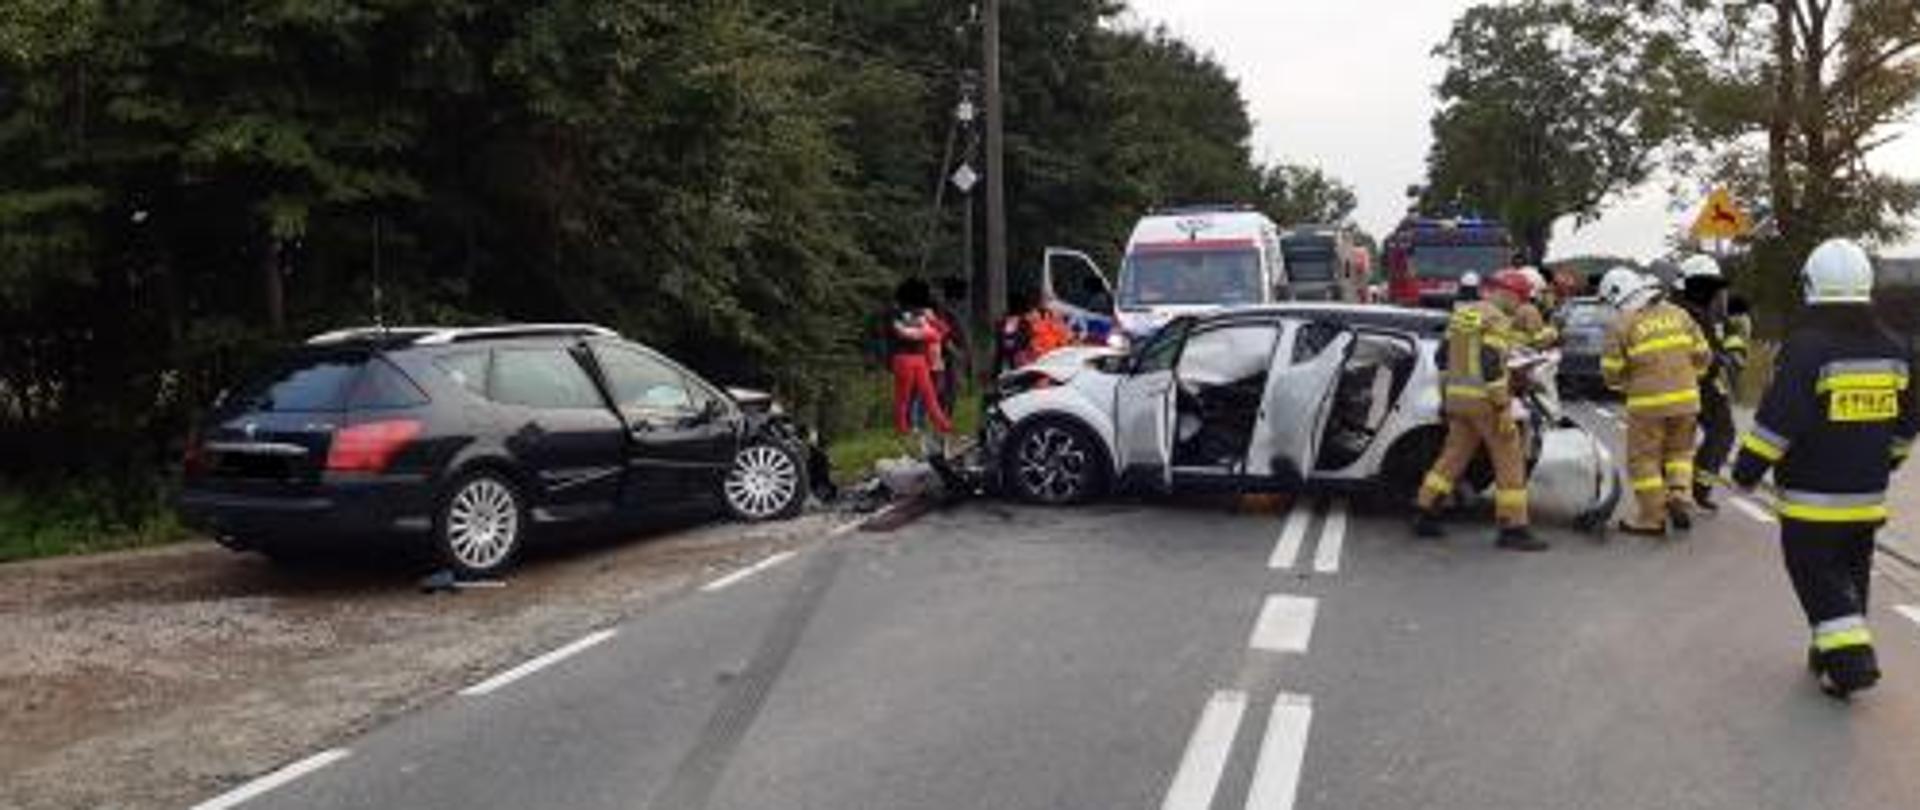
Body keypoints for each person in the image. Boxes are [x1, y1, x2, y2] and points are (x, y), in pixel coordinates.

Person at [1730, 238, 1919, 699]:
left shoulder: (1807, 348)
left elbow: (1779, 421)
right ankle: (1829, 655)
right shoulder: (1895, 348)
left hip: (1813, 501)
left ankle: (1852, 662)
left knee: (1814, 572)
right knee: (1850, 576)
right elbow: (1910, 417)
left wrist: (1747, 470)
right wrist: (1890, 458)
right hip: (1868, 497)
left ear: (1812, 286)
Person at [1412, 269, 1546, 551]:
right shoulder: (1496, 319)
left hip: (1458, 401)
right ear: (1508, 293)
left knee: (1453, 457)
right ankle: (1513, 527)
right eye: (1520, 299)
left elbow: (1441, 358)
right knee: (1510, 459)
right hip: (1485, 402)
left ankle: (1425, 511)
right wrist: (1503, 405)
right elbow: (1490, 363)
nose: (1520, 306)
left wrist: (1446, 397)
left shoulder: (1463, 314)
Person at [1598, 267, 1711, 536]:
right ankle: (1680, 493)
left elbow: (1611, 371)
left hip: (1648, 403)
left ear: (1616, 295)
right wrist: (1689, 379)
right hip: (1687, 400)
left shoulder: (1622, 323)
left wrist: (1623, 385)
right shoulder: (1678, 313)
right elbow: (1704, 356)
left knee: (1643, 460)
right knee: (1680, 453)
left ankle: (1652, 517)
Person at [1675, 255, 1737, 512]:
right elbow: (1706, 354)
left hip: (1678, 384)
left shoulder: (1680, 309)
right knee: (1723, 432)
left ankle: (1681, 490)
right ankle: (1697, 487)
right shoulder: (1694, 314)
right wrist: (1721, 359)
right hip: (1700, 383)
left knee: (1678, 441)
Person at [888, 279, 953, 437]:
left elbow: (943, 331)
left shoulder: (920, 313)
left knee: (929, 393)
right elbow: (905, 334)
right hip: (902, 358)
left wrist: (931, 319)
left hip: (919, 358)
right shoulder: (894, 313)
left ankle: (944, 426)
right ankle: (902, 429)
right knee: (903, 395)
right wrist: (926, 331)